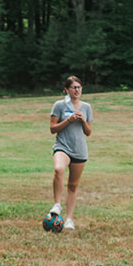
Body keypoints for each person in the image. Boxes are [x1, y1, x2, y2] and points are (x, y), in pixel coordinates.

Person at [45, 75, 93, 232]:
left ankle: (69, 220)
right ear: (66, 90)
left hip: (80, 150)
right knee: (59, 169)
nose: (77, 90)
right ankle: (57, 205)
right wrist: (69, 120)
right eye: (73, 87)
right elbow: (53, 129)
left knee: (73, 186)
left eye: (79, 87)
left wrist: (83, 121)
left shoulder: (86, 107)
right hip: (62, 146)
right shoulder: (59, 105)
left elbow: (88, 132)